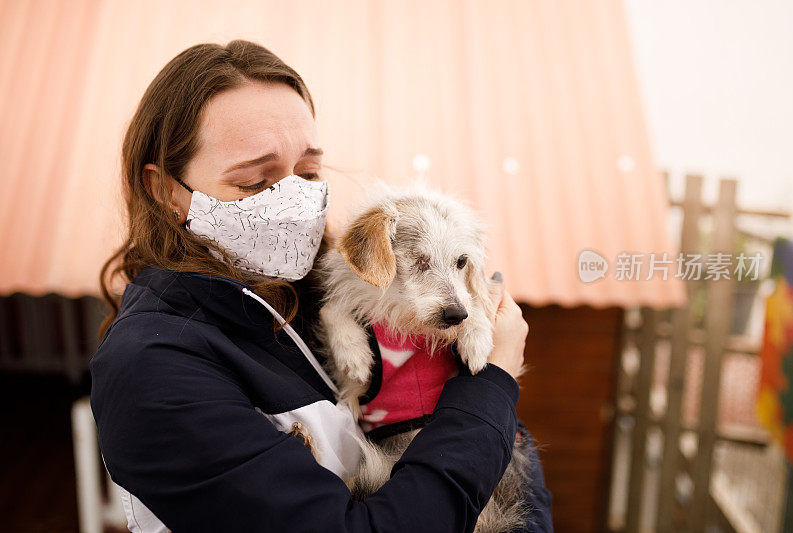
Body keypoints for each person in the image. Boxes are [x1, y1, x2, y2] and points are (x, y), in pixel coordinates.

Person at [90, 39, 553, 533]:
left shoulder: (320, 290)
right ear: (165, 191)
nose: (295, 199)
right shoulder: (152, 368)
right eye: (254, 182)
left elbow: (511, 475)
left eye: (308, 172)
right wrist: (492, 386)